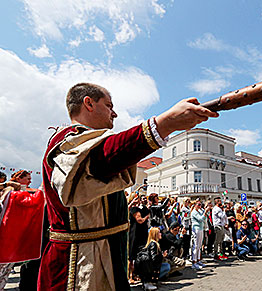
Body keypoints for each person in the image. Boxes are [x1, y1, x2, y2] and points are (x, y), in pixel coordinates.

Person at [38, 83, 218, 290]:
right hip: (80, 263)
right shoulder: (68, 140)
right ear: (88, 103)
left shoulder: (85, 141)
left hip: (105, 254)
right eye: (108, 105)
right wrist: (164, 123)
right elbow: (103, 160)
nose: (114, 114)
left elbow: (112, 155)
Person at [0, 170, 45, 290]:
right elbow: (32, 201)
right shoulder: (10, 191)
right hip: (5, 236)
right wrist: (43, 187)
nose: (30, 181)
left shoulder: (16, 191)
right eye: (27, 178)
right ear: (19, 178)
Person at [190, 200, 208, 270]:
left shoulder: (200, 211)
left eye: (200, 205)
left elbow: (204, 218)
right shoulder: (194, 212)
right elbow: (200, 219)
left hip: (200, 228)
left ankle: (198, 260)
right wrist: (205, 212)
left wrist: (205, 212)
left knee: (199, 245)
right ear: (195, 205)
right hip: (196, 229)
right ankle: (194, 262)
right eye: (198, 205)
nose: (200, 206)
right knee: (196, 245)